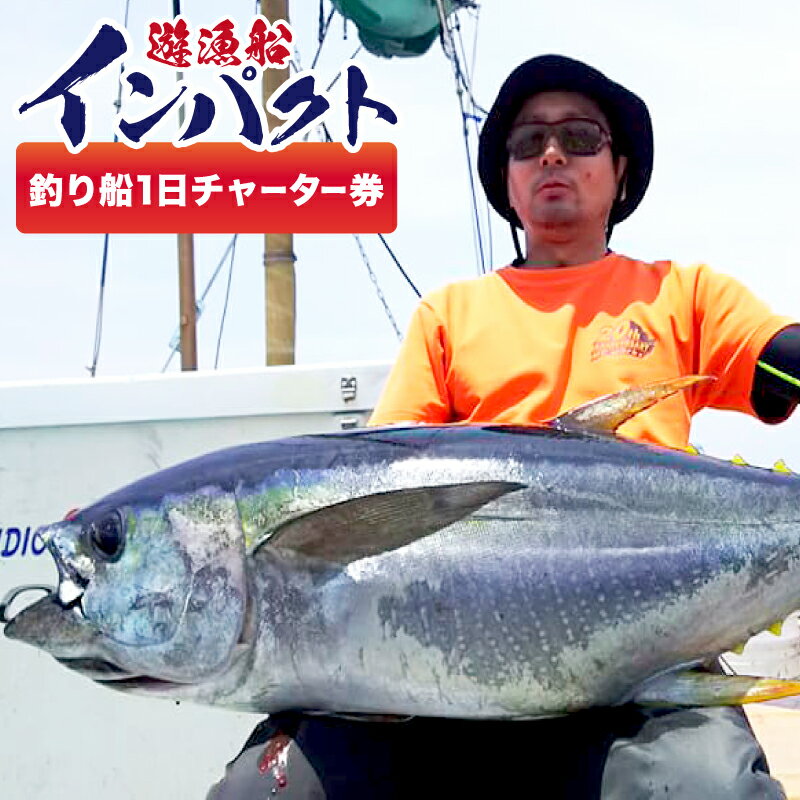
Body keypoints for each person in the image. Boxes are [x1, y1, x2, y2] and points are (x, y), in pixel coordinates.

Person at [208, 54, 800, 799]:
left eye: (581, 138)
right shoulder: (450, 314)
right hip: (455, 665)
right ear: (509, 182)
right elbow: (386, 506)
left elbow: (784, 361)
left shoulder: (683, 294)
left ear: (620, 172)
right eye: (528, 144)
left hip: (649, 659)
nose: (553, 154)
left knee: (710, 789)